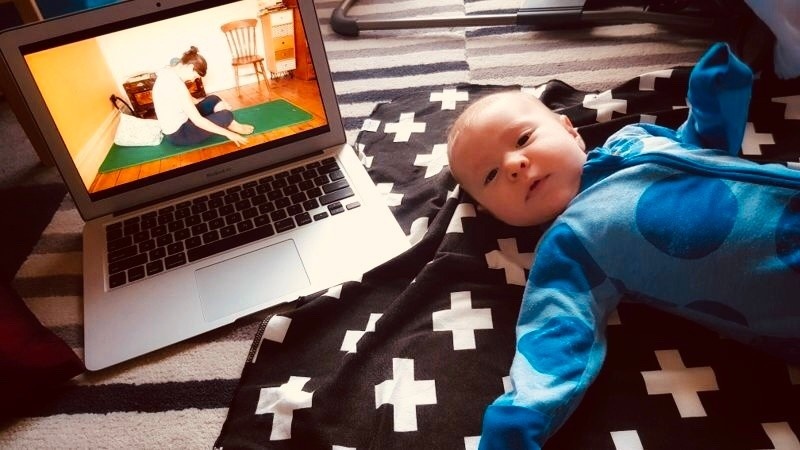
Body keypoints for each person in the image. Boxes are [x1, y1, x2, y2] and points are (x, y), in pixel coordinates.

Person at [446, 42, 800, 450]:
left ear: (570, 130)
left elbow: (702, 149)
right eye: (490, 176)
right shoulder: (570, 243)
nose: (513, 165)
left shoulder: (632, 138)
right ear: (494, 214)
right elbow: (554, 336)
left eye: (524, 138)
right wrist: (516, 421)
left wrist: (713, 102)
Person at [152, 46, 253, 147]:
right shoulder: (176, 85)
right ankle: (229, 123)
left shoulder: (168, 71)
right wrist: (229, 134)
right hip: (180, 134)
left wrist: (214, 104)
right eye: (195, 76)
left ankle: (232, 124)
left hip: (183, 121)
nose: (193, 80)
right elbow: (198, 121)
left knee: (213, 99)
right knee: (226, 115)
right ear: (190, 67)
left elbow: (191, 101)